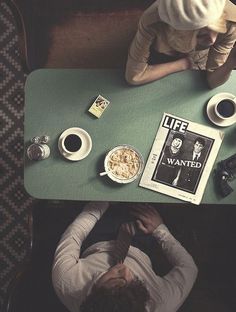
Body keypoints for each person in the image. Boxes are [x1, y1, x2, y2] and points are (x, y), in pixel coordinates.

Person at [52, 201, 198, 312]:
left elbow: (73, 236)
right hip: (143, 243)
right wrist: (160, 229)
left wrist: (102, 200)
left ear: (93, 292)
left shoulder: (67, 283)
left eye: (114, 279)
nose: (125, 270)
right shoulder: (161, 302)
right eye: (135, 282)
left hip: (95, 237)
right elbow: (189, 268)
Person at [125, 0, 236, 88]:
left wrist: (229, 64)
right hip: (164, 56)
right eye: (201, 35)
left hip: (199, 61)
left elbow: (212, 82)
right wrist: (183, 64)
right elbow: (134, 76)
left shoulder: (231, 24)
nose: (212, 40)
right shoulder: (152, 20)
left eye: (216, 28)